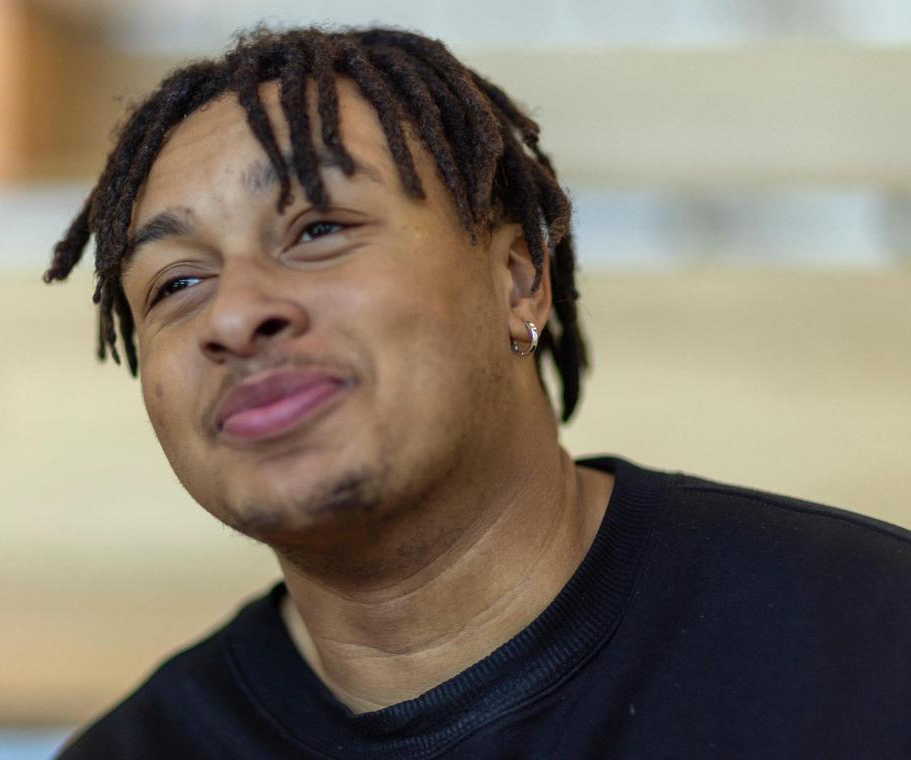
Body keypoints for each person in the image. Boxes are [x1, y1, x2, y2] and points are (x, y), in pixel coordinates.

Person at [45, 26, 910, 759]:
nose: (233, 315)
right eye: (176, 284)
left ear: (519, 280)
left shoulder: (866, 646)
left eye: (319, 230)